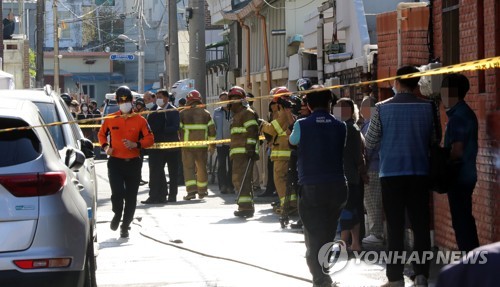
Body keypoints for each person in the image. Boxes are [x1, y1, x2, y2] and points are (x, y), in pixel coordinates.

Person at [365, 66, 440, 287]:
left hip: (391, 173)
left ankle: (395, 277)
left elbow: (370, 142)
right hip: (419, 172)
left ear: (397, 83)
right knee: (420, 225)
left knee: (395, 227)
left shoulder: (381, 108)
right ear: (416, 84)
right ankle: (421, 275)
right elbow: (435, 139)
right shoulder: (429, 107)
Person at [289, 88, 348, 287]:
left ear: (309, 105)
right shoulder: (341, 126)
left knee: (313, 234)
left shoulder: (301, 124)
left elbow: (292, 141)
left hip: (312, 186)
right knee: (329, 232)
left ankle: (320, 278)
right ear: (329, 104)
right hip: (338, 186)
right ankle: (324, 273)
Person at [98, 86, 154, 238]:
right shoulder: (111, 118)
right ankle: (117, 214)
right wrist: (106, 147)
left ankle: (125, 225)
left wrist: (137, 144)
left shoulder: (140, 120)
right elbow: (101, 135)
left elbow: (150, 138)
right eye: (121, 101)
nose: (124, 103)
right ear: (117, 102)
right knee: (117, 193)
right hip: (115, 162)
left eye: (127, 100)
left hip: (133, 162)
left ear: (132, 101)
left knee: (131, 196)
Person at [440, 73, 479, 253]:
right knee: (464, 219)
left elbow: (457, 150)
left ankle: (471, 263)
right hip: (467, 174)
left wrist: (441, 163)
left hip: (459, 177)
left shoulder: (458, 117)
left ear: (450, 92)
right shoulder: (465, 113)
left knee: (461, 222)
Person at [333, 98, 367, 253]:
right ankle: (355, 243)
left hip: (349, 177)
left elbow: (357, 155)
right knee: (353, 209)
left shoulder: (350, 129)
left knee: (347, 210)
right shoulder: (346, 127)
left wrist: (362, 170)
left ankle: (343, 243)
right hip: (349, 176)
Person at [261, 87, 297, 215]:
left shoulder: (283, 113)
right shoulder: (288, 111)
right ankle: (291, 204)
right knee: (286, 180)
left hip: (282, 153)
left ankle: (287, 205)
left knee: (280, 180)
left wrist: (262, 124)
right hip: (284, 152)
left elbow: (272, 129)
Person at [142, 89, 181, 204]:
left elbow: (175, 127)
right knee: (158, 171)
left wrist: (161, 130)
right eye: (157, 96)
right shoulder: (153, 111)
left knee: (173, 172)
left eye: (160, 97)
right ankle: (160, 194)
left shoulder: (172, 110)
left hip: (171, 146)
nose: (158, 99)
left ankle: (172, 195)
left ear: (166, 98)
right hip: (159, 147)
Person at [227, 86, 259, 217]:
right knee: (238, 179)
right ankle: (244, 206)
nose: (231, 101)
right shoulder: (238, 115)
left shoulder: (247, 113)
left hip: (245, 153)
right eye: (231, 98)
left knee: (243, 180)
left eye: (235, 98)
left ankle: (245, 207)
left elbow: (252, 130)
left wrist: (250, 148)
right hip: (238, 153)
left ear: (241, 100)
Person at [179, 90, 216, 200]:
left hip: (187, 146)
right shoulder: (206, 113)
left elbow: (179, 130)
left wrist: (180, 142)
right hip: (202, 146)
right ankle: (202, 191)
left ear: (188, 100)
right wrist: (212, 145)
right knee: (201, 168)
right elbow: (212, 131)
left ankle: (191, 192)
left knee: (188, 168)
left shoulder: (182, 113)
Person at [359, 96, 385, 246]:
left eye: (363, 107)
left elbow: (368, 147)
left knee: (372, 201)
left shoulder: (370, 125)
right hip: (379, 167)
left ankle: (376, 233)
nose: (361, 110)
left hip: (372, 168)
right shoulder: (371, 123)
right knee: (373, 200)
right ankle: (376, 232)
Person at [213, 91, 234, 194]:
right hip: (220, 143)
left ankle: (231, 185)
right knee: (221, 165)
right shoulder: (216, 112)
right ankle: (223, 186)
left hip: (232, 143)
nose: (223, 101)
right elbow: (214, 127)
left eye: (225, 98)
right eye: (221, 99)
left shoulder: (234, 110)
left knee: (231, 165)